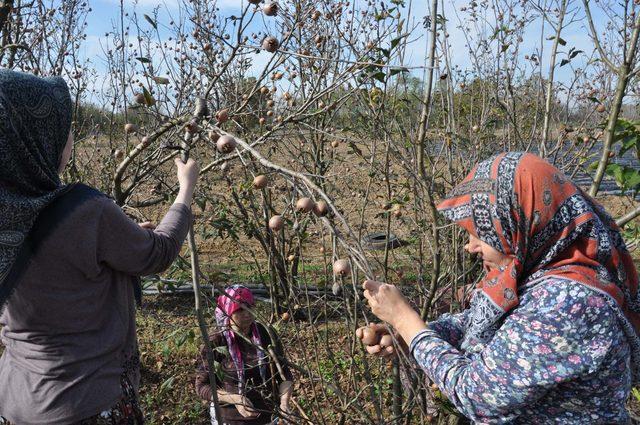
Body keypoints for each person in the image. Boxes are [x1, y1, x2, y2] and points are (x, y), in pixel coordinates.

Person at [360, 152, 640, 423]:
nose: (469, 246)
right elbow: (479, 321)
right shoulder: (540, 274)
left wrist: (406, 322)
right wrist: (412, 336)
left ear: (516, 223)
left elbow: (477, 396)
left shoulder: (570, 303)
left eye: (480, 232)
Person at [0, 69, 198, 423]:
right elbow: (159, 251)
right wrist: (185, 191)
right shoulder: (85, 212)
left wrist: (112, 241)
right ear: (34, 138)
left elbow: (55, 270)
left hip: (17, 404)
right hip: (86, 404)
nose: (71, 136)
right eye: (64, 127)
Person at [195, 285, 294, 425]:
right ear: (228, 312)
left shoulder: (266, 334)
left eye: (250, 307)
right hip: (231, 419)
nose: (247, 314)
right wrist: (234, 399)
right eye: (240, 309)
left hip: (269, 416)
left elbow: (284, 374)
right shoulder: (216, 342)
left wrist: (284, 404)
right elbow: (202, 387)